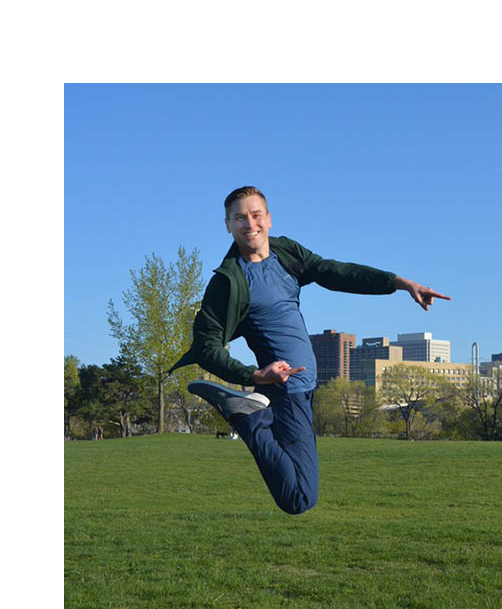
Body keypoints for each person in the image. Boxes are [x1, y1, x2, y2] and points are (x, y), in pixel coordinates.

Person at [169, 186, 450, 515]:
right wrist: (255, 375)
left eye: (256, 215)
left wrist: (400, 284)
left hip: (304, 391)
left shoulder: (286, 254)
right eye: (240, 218)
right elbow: (205, 346)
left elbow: (336, 272)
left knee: (301, 494)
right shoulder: (228, 282)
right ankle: (249, 418)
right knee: (299, 498)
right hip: (287, 389)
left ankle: (250, 415)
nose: (250, 224)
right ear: (228, 225)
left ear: (269, 219)